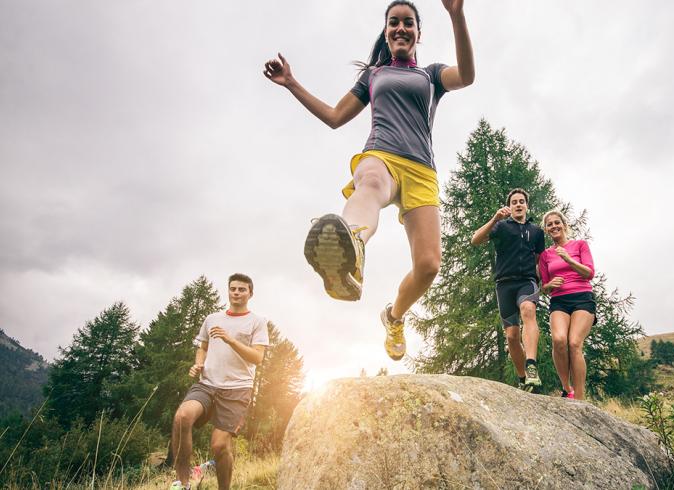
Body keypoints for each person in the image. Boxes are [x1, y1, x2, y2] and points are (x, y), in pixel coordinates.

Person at [263, 0, 474, 361]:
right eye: (394, 23)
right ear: (387, 32)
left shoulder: (431, 76)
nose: (401, 28)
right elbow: (334, 116)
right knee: (371, 182)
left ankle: (394, 317)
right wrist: (292, 84)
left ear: (419, 33)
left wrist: (456, 14)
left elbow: (467, 76)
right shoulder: (373, 76)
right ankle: (351, 248)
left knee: (429, 266)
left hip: (422, 169)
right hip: (382, 155)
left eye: (408, 23)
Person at [170, 273, 269, 490]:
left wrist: (230, 340)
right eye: (233, 288)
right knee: (182, 417)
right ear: (228, 291)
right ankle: (184, 483)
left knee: (219, 446)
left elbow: (258, 357)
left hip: (237, 388)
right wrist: (199, 364)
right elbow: (202, 346)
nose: (236, 292)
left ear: (250, 293)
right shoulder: (212, 318)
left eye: (242, 289)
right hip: (207, 383)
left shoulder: (257, 322)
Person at [471, 188, 545, 391]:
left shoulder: (537, 231)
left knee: (528, 309)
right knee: (512, 336)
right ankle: (524, 379)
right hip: (504, 284)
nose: (518, 204)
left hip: (527, 282)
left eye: (522, 201)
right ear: (510, 206)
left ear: (527, 205)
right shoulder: (501, 227)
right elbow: (475, 240)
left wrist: (542, 282)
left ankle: (531, 365)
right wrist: (495, 219)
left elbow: (539, 261)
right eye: (514, 202)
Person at [538, 210, 596, 400]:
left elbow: (589, 273)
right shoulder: (545, 255)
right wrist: (549, 285)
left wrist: (568, 259)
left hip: (582, 297)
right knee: (559, 340)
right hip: (559, 300)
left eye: (557, 222)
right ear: (546, 230)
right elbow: (544, 286)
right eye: (549, 224)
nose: (554, 226)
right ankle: (567, 388)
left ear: (564, 224)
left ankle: (579, 397)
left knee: (574, 343)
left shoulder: (579, 245)